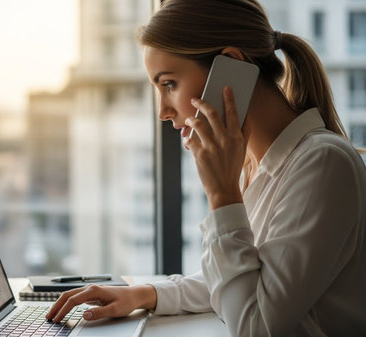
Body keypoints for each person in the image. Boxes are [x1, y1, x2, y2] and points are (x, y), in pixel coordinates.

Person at [46, 0, 366, 335]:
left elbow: (255, 326)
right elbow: (242, 281)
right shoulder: (258, 164)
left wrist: (222, 194)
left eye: (169, 84)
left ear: (230, 66)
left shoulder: (321, 163)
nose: (163, 112)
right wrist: (145, 294)